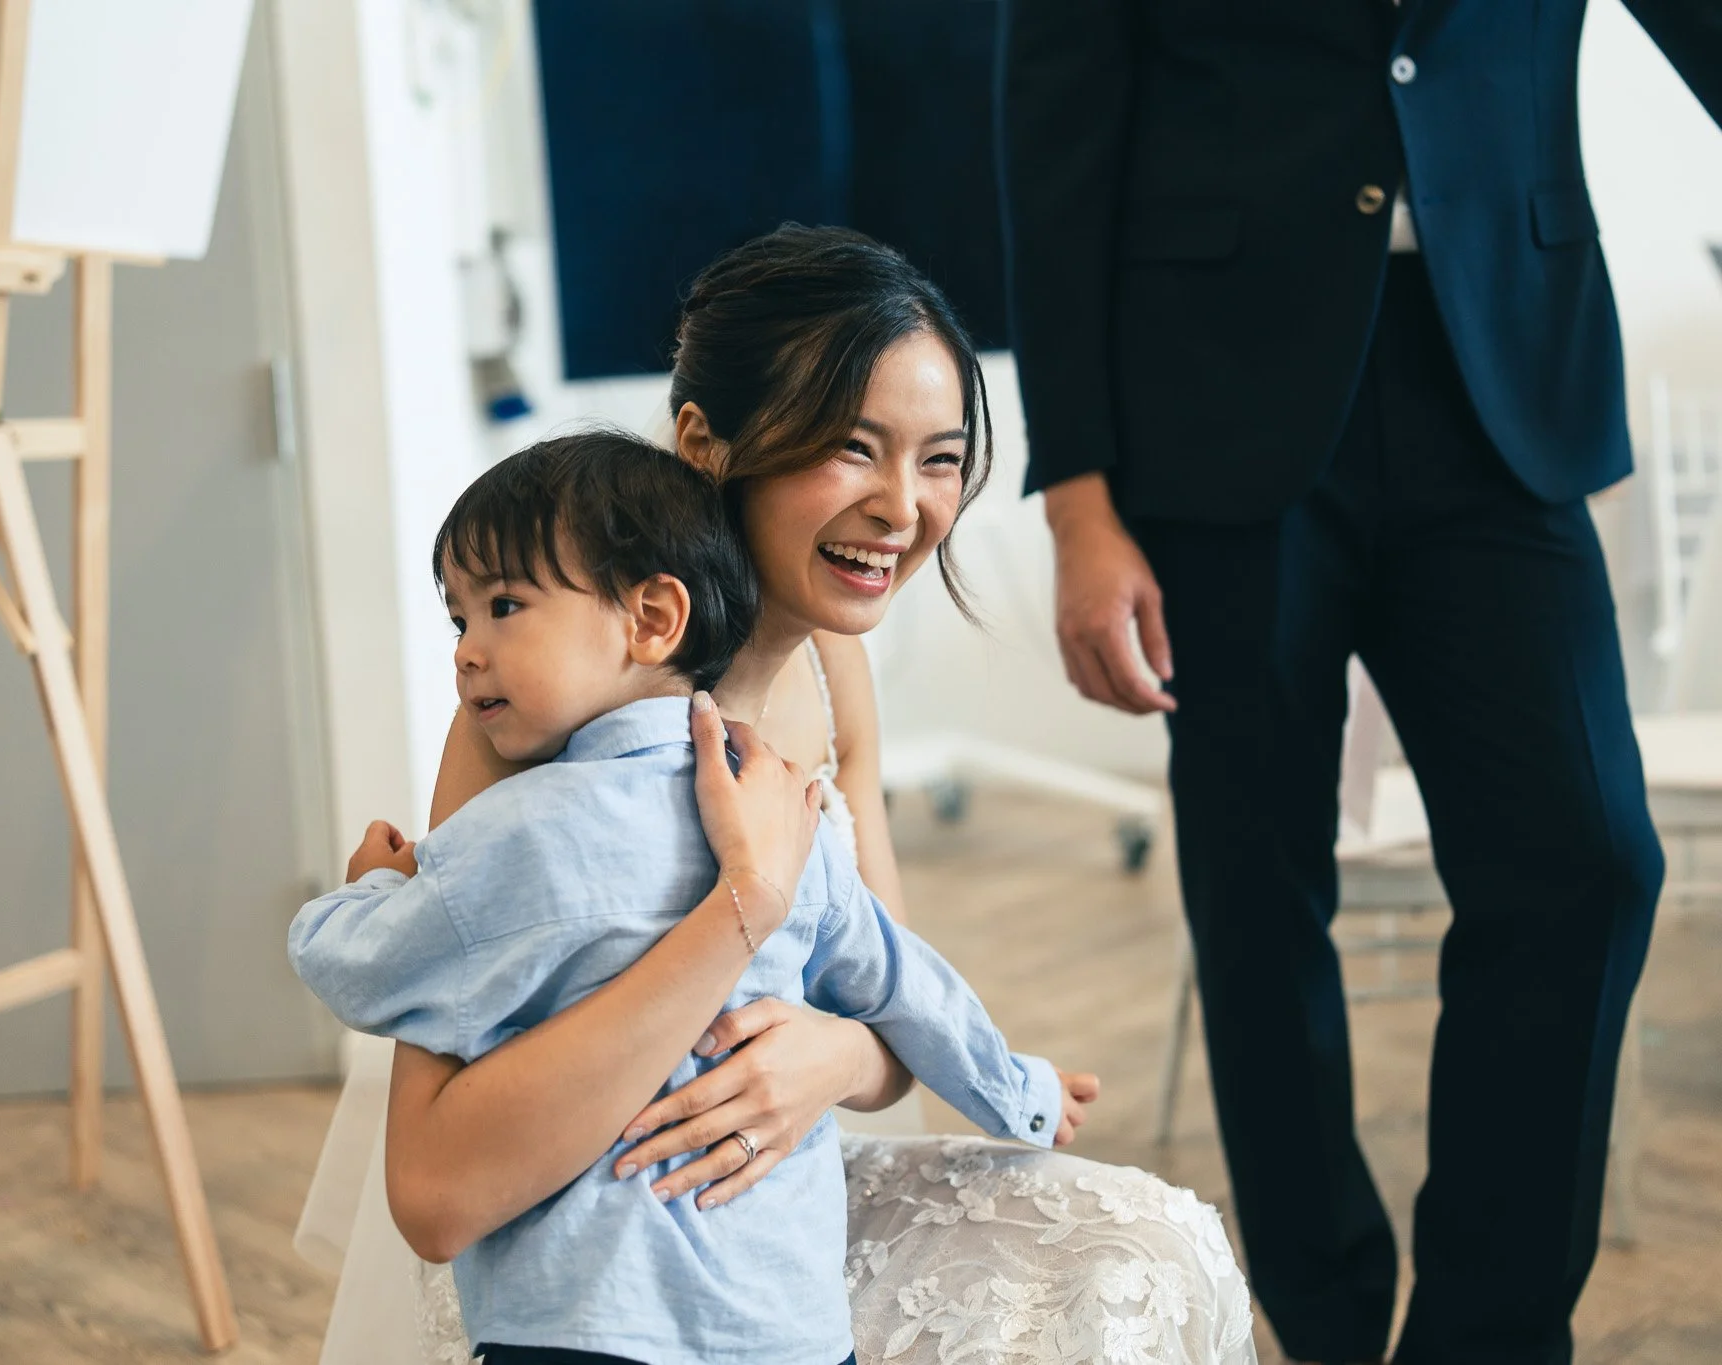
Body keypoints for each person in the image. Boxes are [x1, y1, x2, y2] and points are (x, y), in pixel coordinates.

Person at [297, 225, 1258, 1365]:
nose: (903, 509)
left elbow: (886, 985)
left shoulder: (830, 668)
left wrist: (835, 1060)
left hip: (766, 1217)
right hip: (576, 1262)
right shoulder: (530, 706)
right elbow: (438, 1191)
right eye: (853, 448)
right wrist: (737, 913)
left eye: (939, 459)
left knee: (1149, 1247)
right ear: (706, 443)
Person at [996, 5, 1722, 1363]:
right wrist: (1077, 499)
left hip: (1499, 374)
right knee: (1259, 887)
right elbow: (1052, 146)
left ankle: (1485, 1336)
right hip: (1213, 407)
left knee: (1589, 860)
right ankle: (1322, 1319)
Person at [294, 430, 1078, 1364]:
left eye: (503, 606)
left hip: (582, 1323)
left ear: (654, 615)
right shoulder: (792, 808)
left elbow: (351, 963)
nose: (468, 654)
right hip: (786, 1326)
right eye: (460, 621)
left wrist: (372, 889)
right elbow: (910, 985)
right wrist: (1023, 1092)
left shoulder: (523, 831)